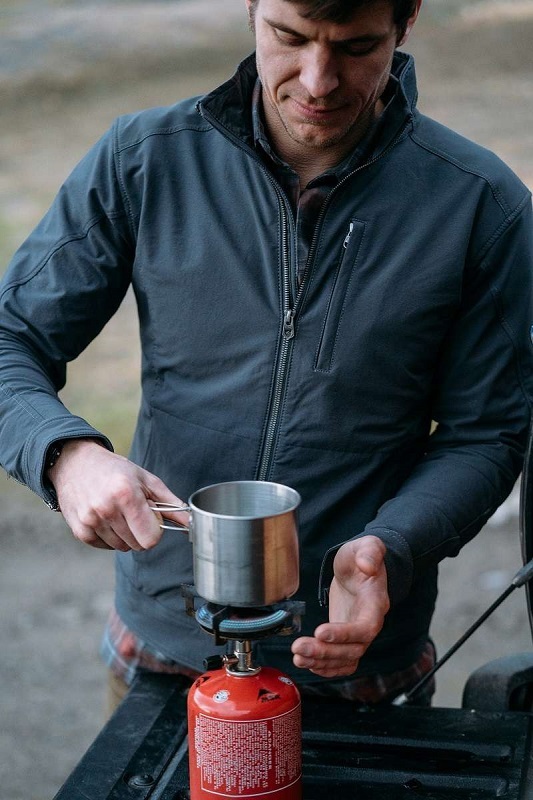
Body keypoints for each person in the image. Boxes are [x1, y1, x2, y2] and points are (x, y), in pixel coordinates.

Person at [1, 0, 532, 710]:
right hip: (163, 648)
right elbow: (11, 339)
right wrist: (65, 455)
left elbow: (487, 433)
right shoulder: (143, 158)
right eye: (289, 37)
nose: (317, 81)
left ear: (405, 25)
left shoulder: (480, 204)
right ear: (250, 8)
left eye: (355, 47)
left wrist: (393, 548)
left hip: (362, 665)